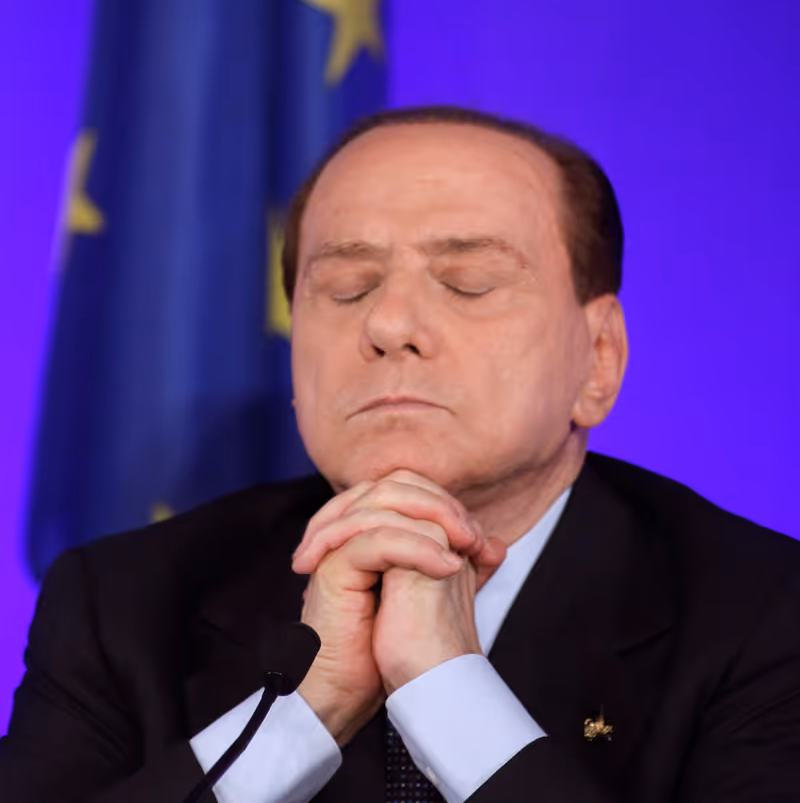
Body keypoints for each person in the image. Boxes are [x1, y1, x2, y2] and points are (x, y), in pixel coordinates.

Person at [2, 105, 799, 803]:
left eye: (469, 282)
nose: (388, 324)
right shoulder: (123, 603)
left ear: (599, 360)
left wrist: (450, 693)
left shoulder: (763, 615)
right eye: (347, 288)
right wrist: (301, 718)